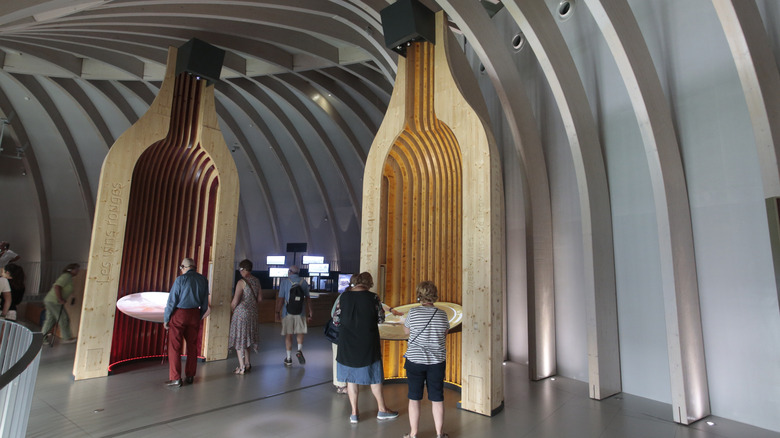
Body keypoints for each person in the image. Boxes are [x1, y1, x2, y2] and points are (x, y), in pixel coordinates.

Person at [333, 271, 398, 424]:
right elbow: (381, 319)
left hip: (347, 343)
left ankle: (354, 413)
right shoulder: (373, 297)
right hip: (368, 342)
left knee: (350, 379)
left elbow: (336, 320)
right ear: (369, 283)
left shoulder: (344, 297)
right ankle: (382, 409)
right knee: (375, 378)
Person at [402, 281, 450, 438]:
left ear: (419, 295)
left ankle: (413, 434)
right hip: (436, 362)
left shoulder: (413, 313)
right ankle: (439, 434)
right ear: (434, 295)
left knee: (414, 398)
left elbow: (406, 331)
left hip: (414, 361)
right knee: (437, 398)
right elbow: (444, 333)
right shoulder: (442, 314)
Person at [163, 258, 210, 388]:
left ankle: (176, 378)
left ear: (184, 267)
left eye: (181, 267)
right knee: (192, 346)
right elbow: (205, 304)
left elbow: (172, 301)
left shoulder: (180, 280)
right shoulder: (203, 280)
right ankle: (190, 375)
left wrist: (166, 319)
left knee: (175, 347)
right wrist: (198, 316)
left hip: (180, 314)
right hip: (195, 314)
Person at [275, 265, 313, 367]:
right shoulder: (303, 282)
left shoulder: (285, 282)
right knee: (300, 332)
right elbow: (308, 298)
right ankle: (299, 350)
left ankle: (288, 358)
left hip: (288, 312)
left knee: (289, 334)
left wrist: (277, 312)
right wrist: (310, 311)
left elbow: (281, 299)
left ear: (290, 272)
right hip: (300, 312)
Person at [228, 259, 262, 374]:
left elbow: (235, 301)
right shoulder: (256, 281)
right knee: (247, 339)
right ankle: (248, 364)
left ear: (242, 269)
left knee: (239, 339)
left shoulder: (241, 282)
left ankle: (241, 367)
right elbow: (260, 299)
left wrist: (232, 308)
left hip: (241, 314)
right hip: (253, 314)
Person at [41, 263, 80, 343]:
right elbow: (57, 286)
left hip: (50, 300)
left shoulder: (68, 277)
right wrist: (60, 299)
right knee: (63, 318)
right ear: (71, 270)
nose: (78, 271)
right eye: (76, 269)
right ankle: (67, 338)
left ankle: (41, 338)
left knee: (50, 320)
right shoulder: (66, 276)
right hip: (54, 301)